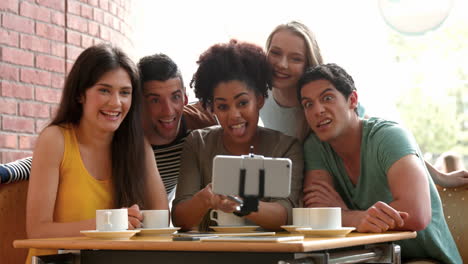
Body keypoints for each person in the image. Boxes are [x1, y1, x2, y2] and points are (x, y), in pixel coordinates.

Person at [260, 20, 468, 188]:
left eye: (295, 58)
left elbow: (391, 141)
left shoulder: (330, 101)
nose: (282, 64)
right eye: (276, 53)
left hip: (340, 193)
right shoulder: (259, 95)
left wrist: (440, 177)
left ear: (308, 65)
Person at [298, 63, 461, 263]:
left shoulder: (389, 136)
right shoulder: (315, 146)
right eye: (308, 104)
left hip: (425, 258)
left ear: (352, 100)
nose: (317, 110)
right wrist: (357, 219)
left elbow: (416, 213)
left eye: (327, 98)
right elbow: (314, 213)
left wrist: (346, 217)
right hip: (368, 258)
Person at [25, 44, 168, 262]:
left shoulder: (139, 147)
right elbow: (37, 230)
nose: (115, 102)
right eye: (104, 90)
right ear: (80, 94)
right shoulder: (55, 140)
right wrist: (107, 225)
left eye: (125, 93)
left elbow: (161, 219)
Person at [172, 40, 303, 231]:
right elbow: (180, 218)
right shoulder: (198, 143)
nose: (234, 115)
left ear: (259, 100)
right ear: (212, 108)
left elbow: (285, 214)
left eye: (242, 103)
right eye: (223, 106)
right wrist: (205, 199)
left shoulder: (286, 147)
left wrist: (241, 205)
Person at [137, 53, 216, 200]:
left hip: (163, 213)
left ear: (185, 97)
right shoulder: (122, 136)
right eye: (155, 100)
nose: (168, 111)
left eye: (175, 97)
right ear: (138, 103)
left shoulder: (204, 125)